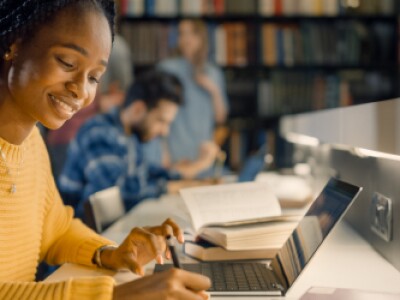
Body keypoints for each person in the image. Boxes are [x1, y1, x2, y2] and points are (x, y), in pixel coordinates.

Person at [0, 1, 210, 299]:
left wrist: (109, 253)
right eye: (68, 63)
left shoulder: (32, 143)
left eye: (94, 77)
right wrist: (111, 296)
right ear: (13, 43)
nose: (81, 90)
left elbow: (56, 230)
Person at [151, 19, 229, 176]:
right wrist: (162, 151)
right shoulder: (167, 69)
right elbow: (155, 114)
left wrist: (213, 90)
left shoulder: (213, 73)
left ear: (202, 38)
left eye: (191, 33)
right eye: (181, 34)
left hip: (203, 156)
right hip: (175, 155)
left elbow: (221, 118)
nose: (186, 39)